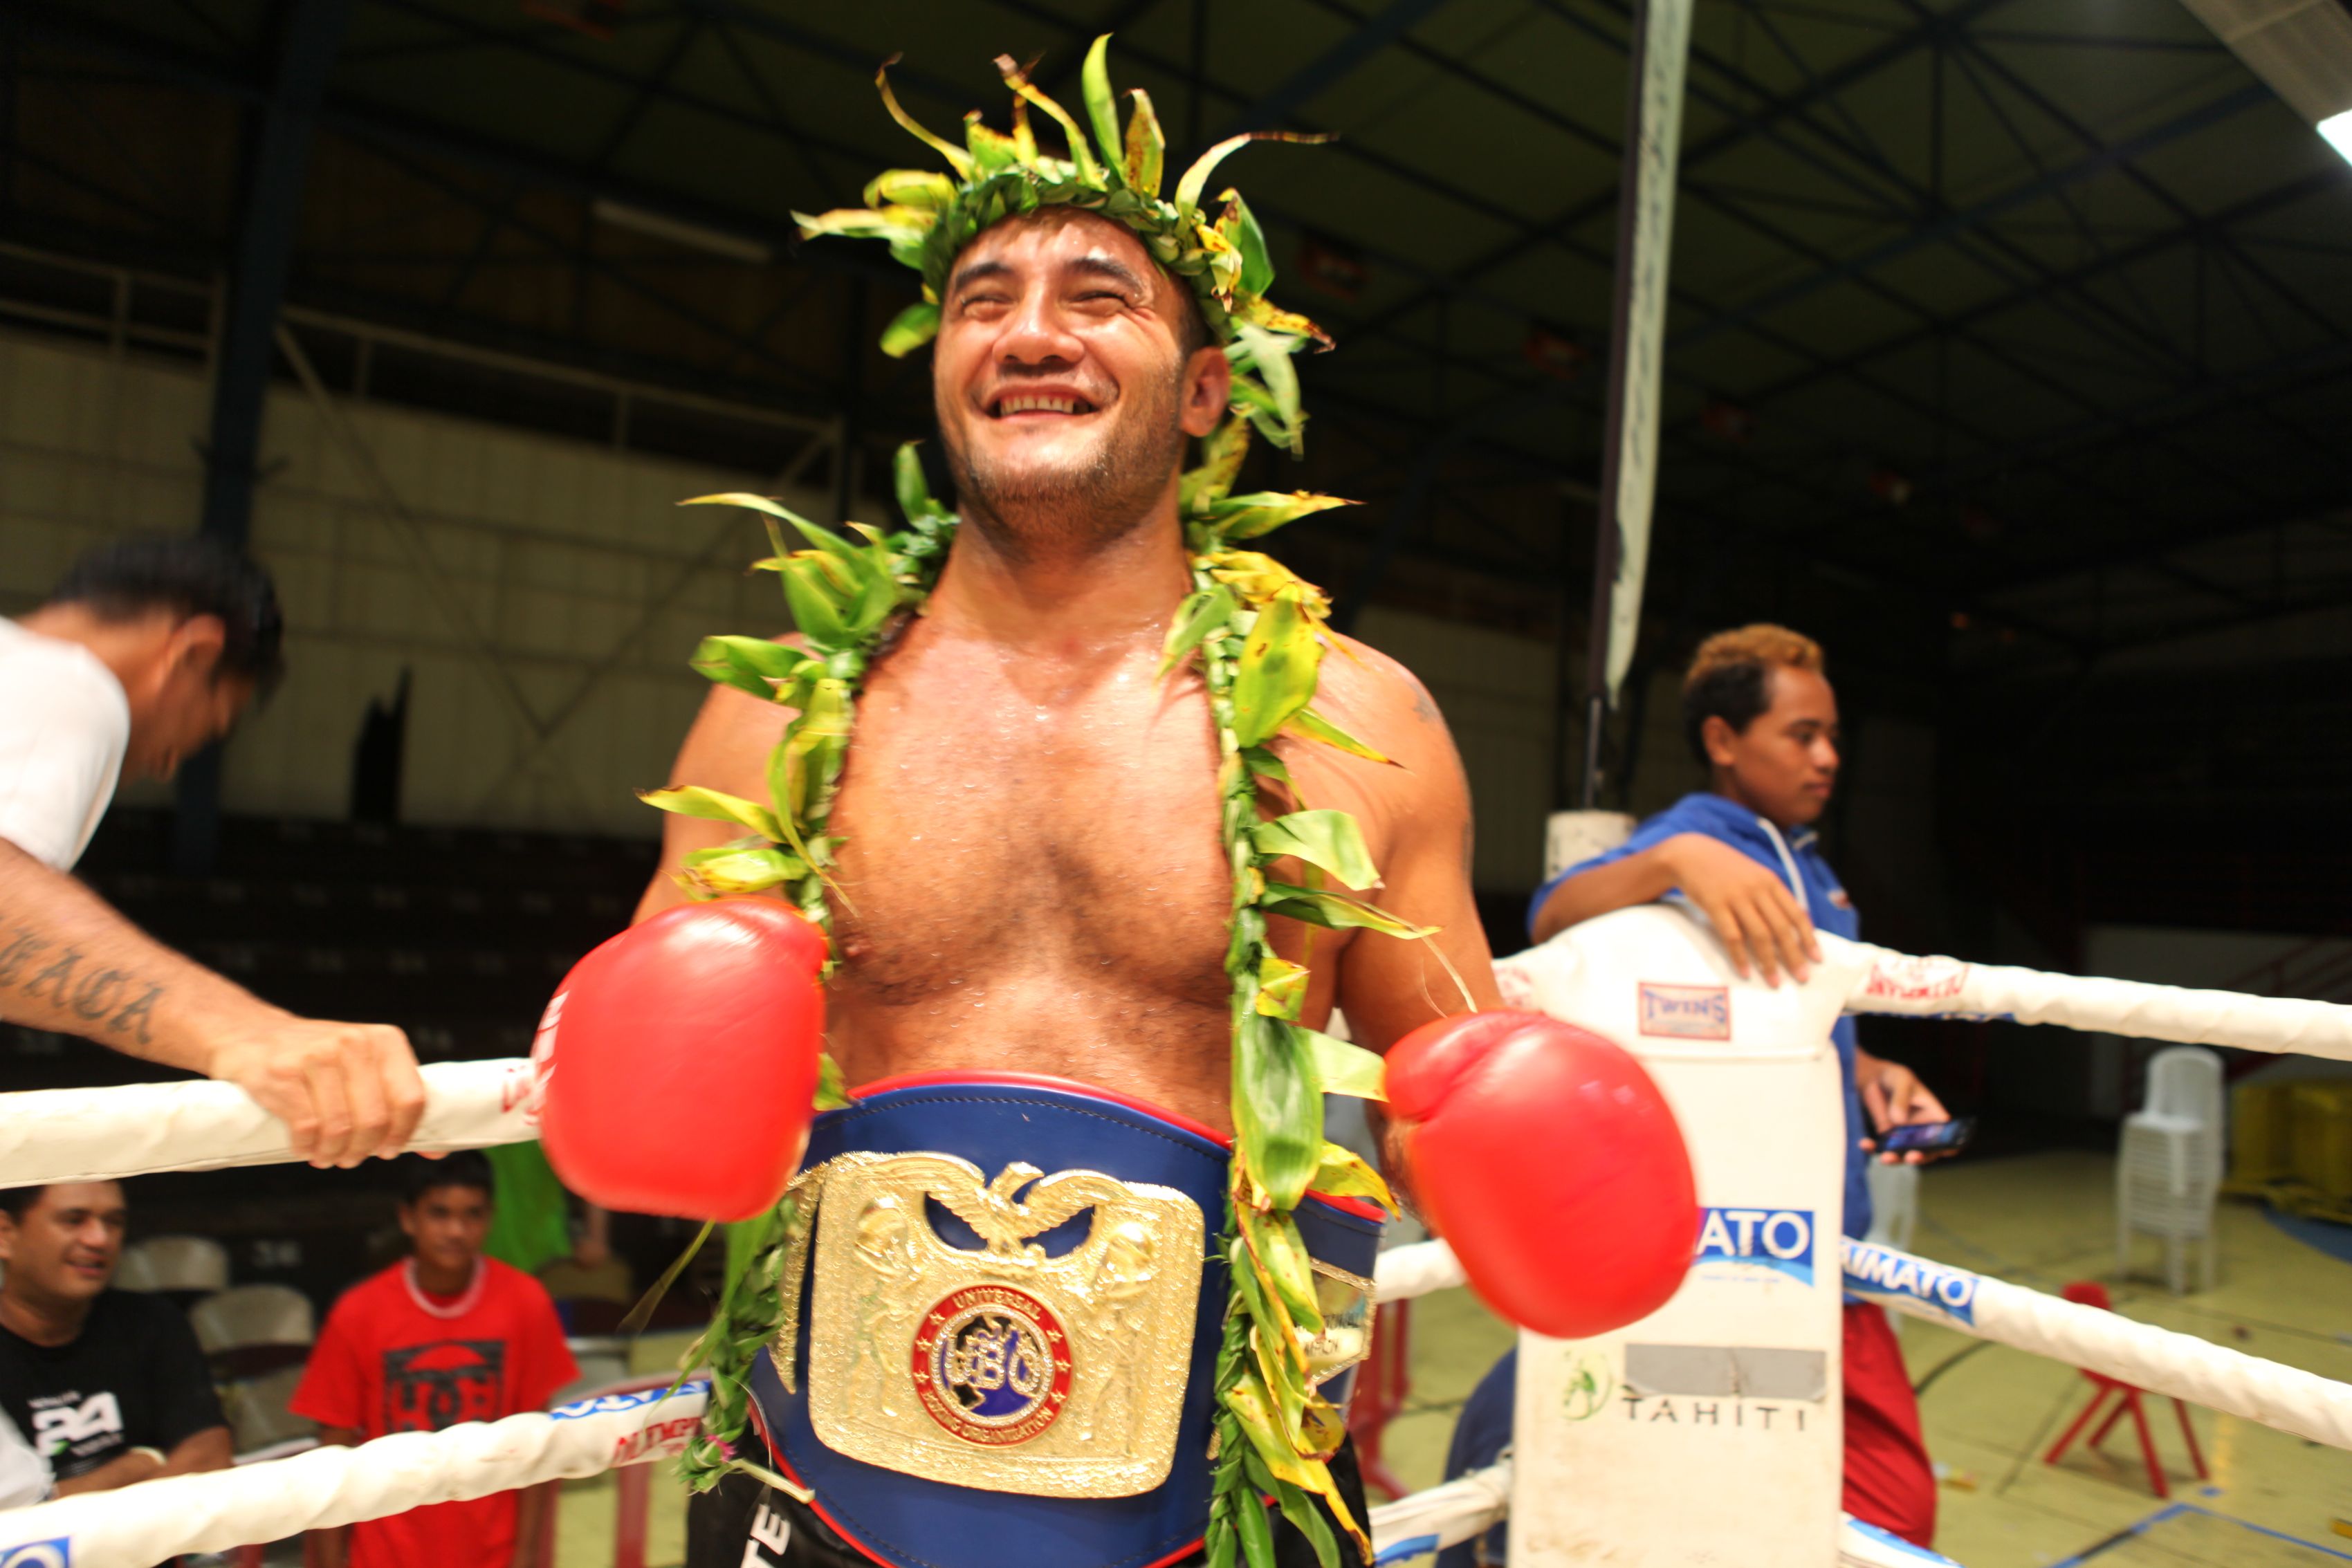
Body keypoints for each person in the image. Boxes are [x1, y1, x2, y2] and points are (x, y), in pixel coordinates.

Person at [638, 48, 1510, 1568]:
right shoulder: (781, 710)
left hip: (1216, 1514)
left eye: (1098, 295)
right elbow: (653, 1061)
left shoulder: (1358, 727)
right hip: (819, 1490)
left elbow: (1457, 1073)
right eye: (983, 299)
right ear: (939, 365)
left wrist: (1532, 1144)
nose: (1030, 332)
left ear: (1208, 392)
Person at [1527, 623, 1947, 1547]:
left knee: (1881, 1510)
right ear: (1725, 740)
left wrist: (1869, 1065)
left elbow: (1786, 1010)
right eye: (1802, 734)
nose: (1829, 756)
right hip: (1729, 1251)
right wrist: (1671, 861)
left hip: (1830, 1246)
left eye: (1832, 735)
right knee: (1840, 1505)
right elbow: (1551, 911)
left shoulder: (1815, 862)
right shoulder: (1696, 836)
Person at [0, 535, 428, 1168]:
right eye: (209, 722)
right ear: (193, 653)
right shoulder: (69, 686)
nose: (167, 763)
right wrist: (246, 1032)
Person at [290, 1152, 578, 1568]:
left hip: (493, 1550)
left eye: (472, 1215)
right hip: (385, 1553)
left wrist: (528, 1554)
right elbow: (330, 1458)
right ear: (408, 1219)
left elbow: (537, 1445)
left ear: (490, 1218)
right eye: (439, 1214)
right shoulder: (359, 1312)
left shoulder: (525, 1302)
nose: (456, 1231)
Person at [0, 1182, 230, 1496]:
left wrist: (67, 1497)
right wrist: (134, 1467)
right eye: (73, 1219)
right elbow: (17, 1511)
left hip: (166, 1544)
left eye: (114, 1222)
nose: (99, 1239)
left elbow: (208, 1458)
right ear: (5, 1234)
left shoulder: (150, 1321)